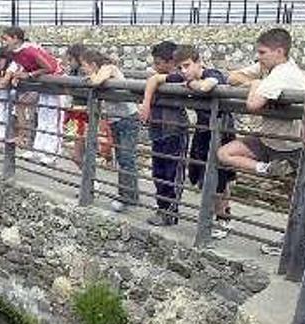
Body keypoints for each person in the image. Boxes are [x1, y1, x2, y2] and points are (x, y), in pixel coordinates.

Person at [141, 45, 234, 230]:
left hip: (221, 132)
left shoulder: (211, 72)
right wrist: (146, 103)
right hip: (203, 131)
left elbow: (207, 86)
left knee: (219, 178)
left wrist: (192, 84)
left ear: (199, 62)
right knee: (199, 175)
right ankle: (213, 215)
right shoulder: (185, 75)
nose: (183, 71)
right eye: (180, 68)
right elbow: (155, 78)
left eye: (187, 66)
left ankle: (223, 219)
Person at [219, 28, 305, 178]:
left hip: (289, 145)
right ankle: (267, 168)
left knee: (293, 192)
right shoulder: (268, 66)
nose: (258, 57)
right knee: (224, 153)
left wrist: (255, 85)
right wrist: (255, 83)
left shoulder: (283, 73)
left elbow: (253, 104)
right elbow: (232, 78)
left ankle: (277, 169)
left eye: (262, 52)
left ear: (279, 52)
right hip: (268, 139)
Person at [82, 50, 140, 212]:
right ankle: (128, 196)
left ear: (93, 64)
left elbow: (97, 81)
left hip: (127, 119)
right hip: (117, 120)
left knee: (127, 159)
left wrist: (92, 77)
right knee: (122, 159)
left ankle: (128, 198)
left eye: (85, 66)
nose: (83, 70)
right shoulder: (102, 70)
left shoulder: (109, 68)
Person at [138, 41, 189, 223]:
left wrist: (146, 102)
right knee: (158, 172)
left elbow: (153, 79)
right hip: (159, 130)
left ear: (171, 63)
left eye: (159, 63)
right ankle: (162, 208)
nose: (155, 67)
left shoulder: (178, 77)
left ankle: (171, 212)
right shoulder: (164, 76)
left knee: (172, 173)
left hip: (175, 130)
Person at [1, 26, 64, 165]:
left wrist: (28, 75)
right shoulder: (15, 52)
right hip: (42, 84)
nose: (4, 42)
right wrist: (18, 75)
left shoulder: (30, 50)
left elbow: (48, 67)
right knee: (42, 117)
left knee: (53, 118)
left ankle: (53, 153)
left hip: (55, 82)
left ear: (15, 38)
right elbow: (23, 65)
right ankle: (40, 150)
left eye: (6, 39)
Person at [63, 44, 90, 165]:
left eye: (70, 60)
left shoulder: (84, 71)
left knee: (78, 152)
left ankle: (90, 181)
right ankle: (89, 180)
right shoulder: (74, 71)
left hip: (83, 111)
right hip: (77, 109)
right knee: (79, 145)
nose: (69, 63)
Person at [0, 47, 21, 148]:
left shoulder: (12, 66)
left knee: (8, 117)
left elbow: (3, 84)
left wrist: (4, 73)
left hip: (11, 98)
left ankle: (6, 140)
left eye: (0, 59)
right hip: (0, 97)